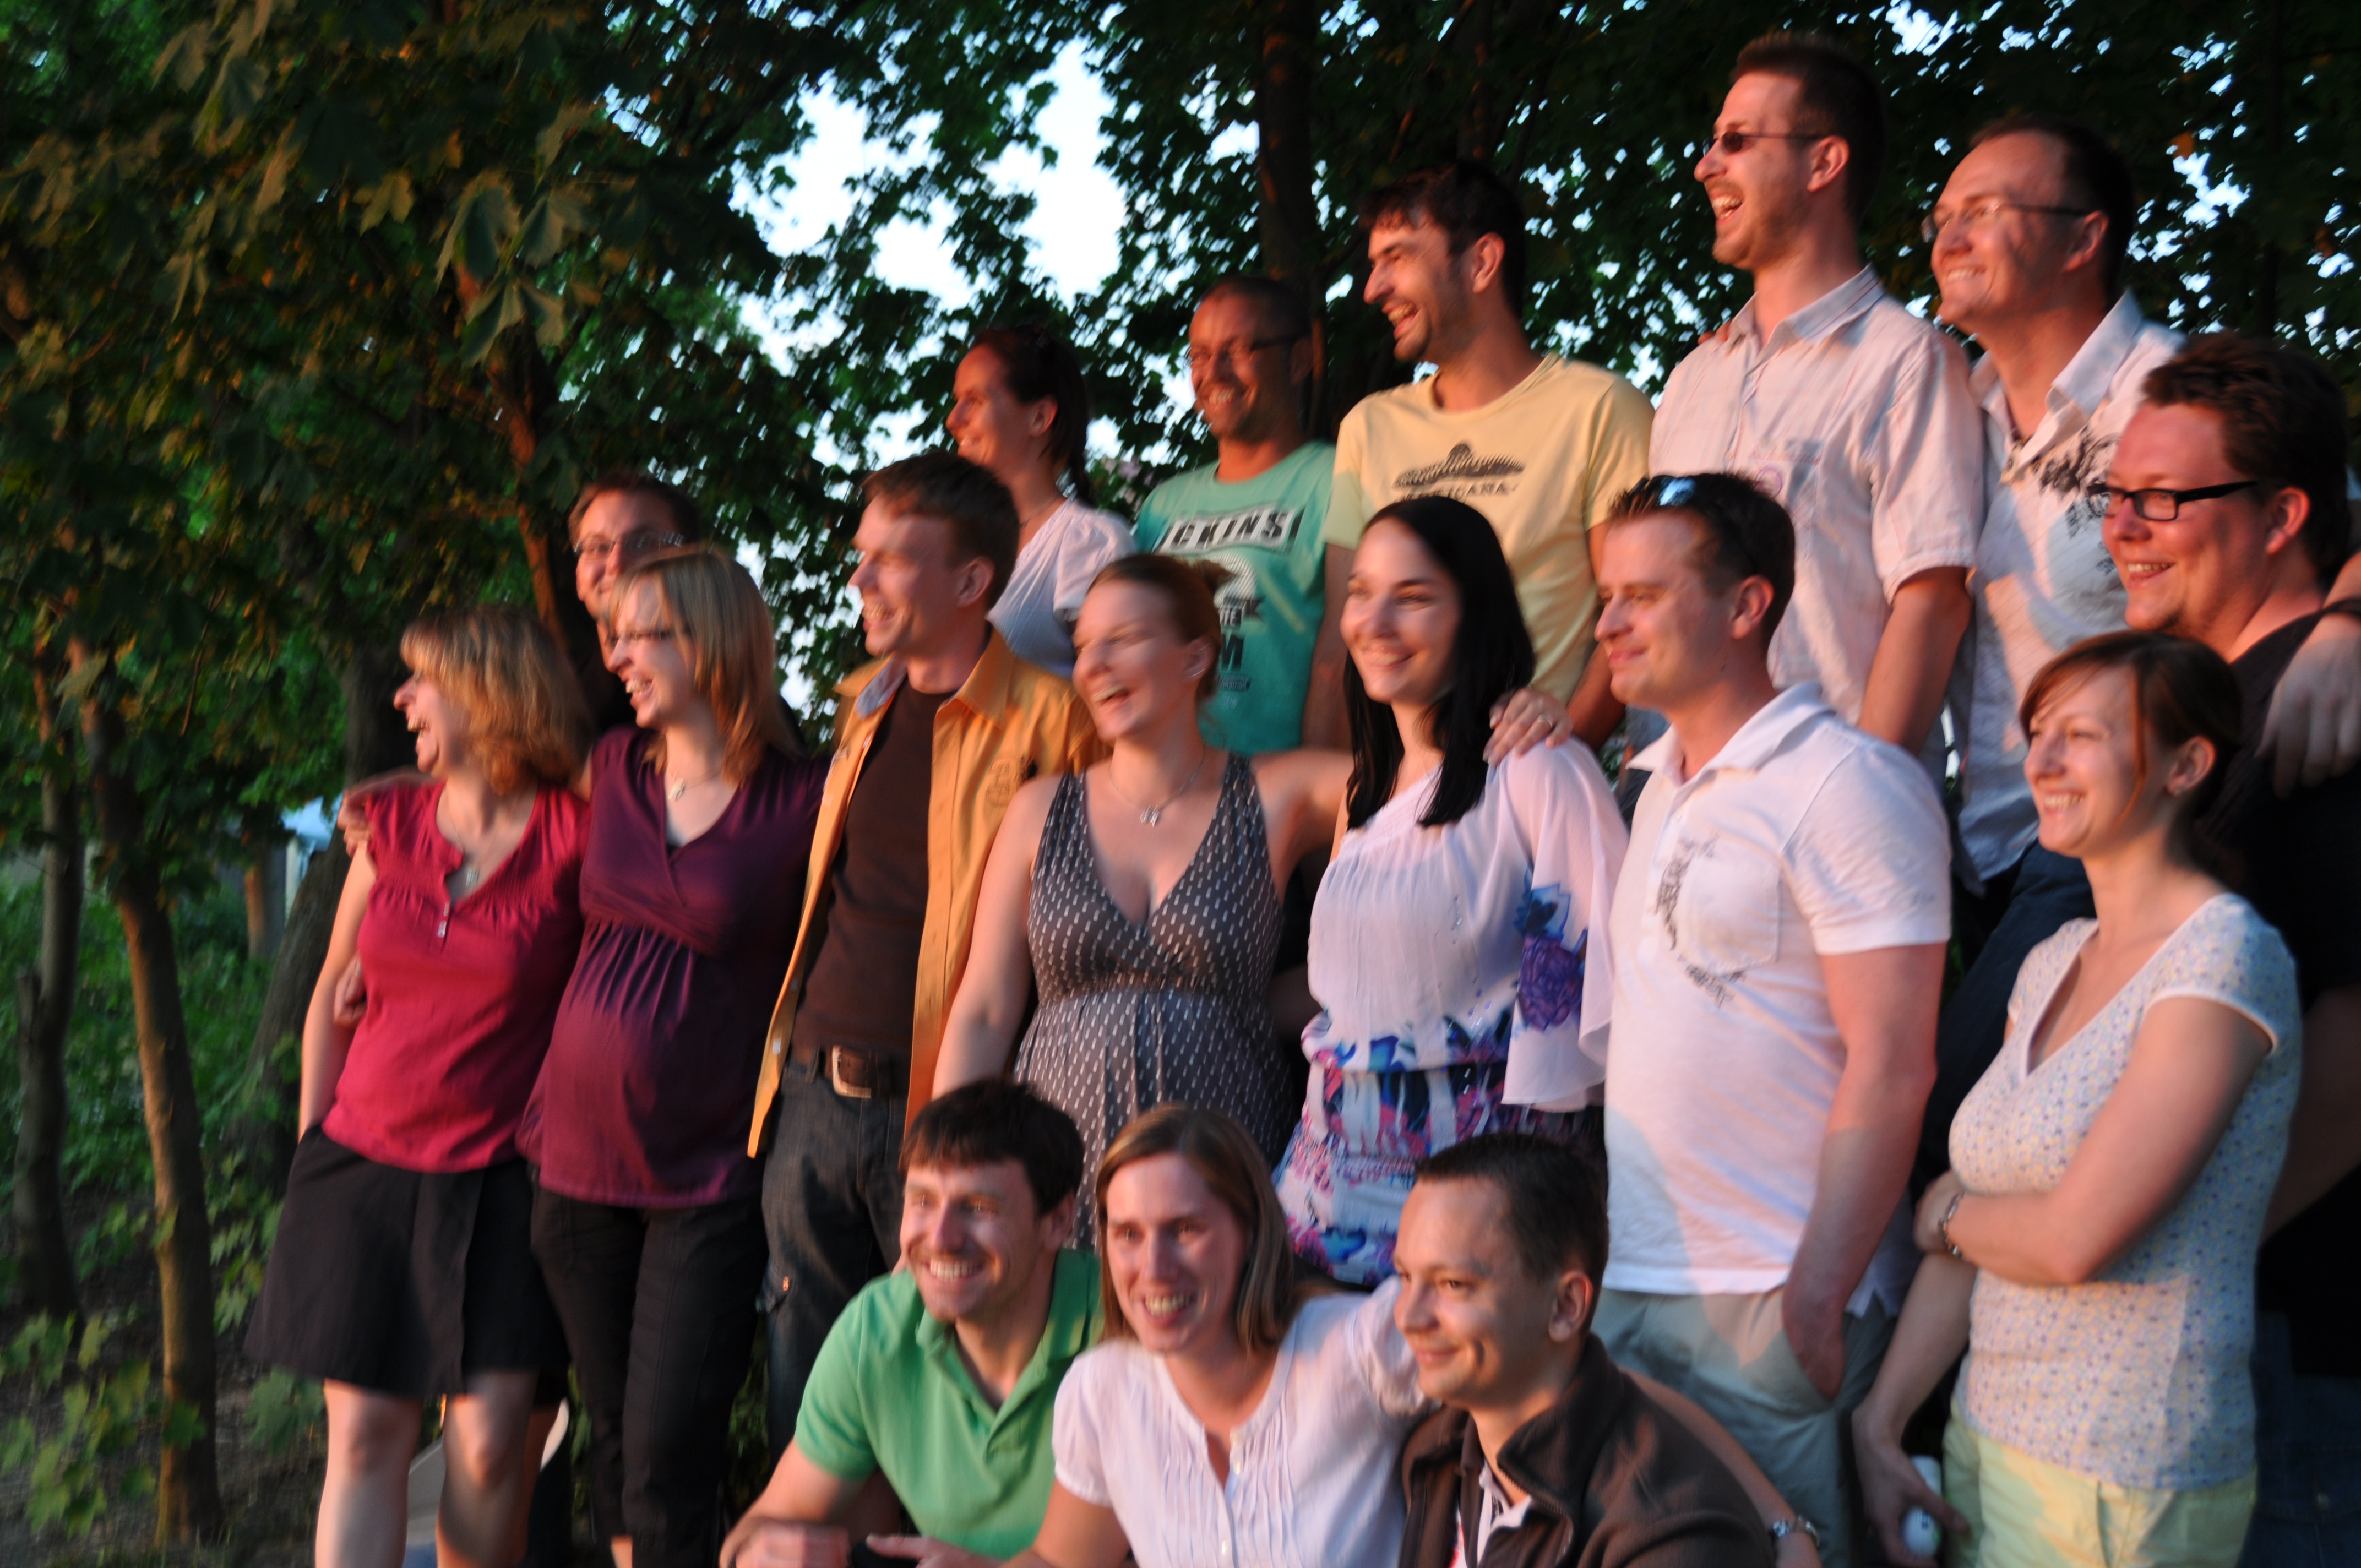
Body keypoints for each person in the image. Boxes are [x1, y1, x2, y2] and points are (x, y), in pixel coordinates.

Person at [1916, 116, 2361, 1194]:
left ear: (2083, 238)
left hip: (2113, 827)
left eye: (1984, 211)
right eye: (1941, 215)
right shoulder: (1948, 404)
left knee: (1947, 1134)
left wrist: (2346, 626)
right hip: (1988, 834)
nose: (1947, 235)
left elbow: (2323, 517)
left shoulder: (2172, 397)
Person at [1853, 633, 2302, 1568]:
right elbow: (1985, 1233)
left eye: (2082, 736)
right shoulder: (2055, 958)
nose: (2042, 762)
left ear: (2186, 764)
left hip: (2118, 1477)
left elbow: (2070, 1238)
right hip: (1986, 1438)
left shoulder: (2221, 956)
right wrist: (1881, 1421)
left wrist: (1946, 1213)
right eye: (2037, 734)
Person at [1593, 474, 1950, 1568]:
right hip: (1635, 1283)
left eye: (1642, 595)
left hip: (1771, 1302)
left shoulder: (1846, 781)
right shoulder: (1651, 787)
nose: (1606, 624)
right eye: (1605, 596)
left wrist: (1815, 1296)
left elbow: (1893, 1062)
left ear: (1746, 605)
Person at [750, 452, 1102, 1451]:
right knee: (810, 1396)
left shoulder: (1056, 721)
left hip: (948, 1104)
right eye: (861, 556)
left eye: (891, 560)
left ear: (971, 580)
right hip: (813, 1091)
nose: (859, 578)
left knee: (949, 1393)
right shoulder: (861, 702)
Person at [2086, 336, 2361, 1565]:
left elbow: (2352, 1046)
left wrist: (2183, 1258)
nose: (2121, 528)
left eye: (2161, 500)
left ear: (2281, 516)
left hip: (2281, 1348)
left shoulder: (2320, 707)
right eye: (2113, 496)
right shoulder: (2225, 702)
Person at [247, 607, 591, 1568]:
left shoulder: (578, 836)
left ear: (490, 695)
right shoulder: (387, 829)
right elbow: (328, 997)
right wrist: (315, 1149)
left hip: (504, 1181)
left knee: (487, 1450)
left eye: (423, 680)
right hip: (362, 1167)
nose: (402, 698)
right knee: (365, 1439)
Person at [519, 551, 825, 1568]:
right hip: (572, 1160)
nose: (619, 657)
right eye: (616, 636)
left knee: (667, 1450)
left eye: (645, 634)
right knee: (613, 1437)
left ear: (712, 641)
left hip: (706, 1172)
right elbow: (488, 777)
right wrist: (386, 805)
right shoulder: (613, 767)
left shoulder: (806, 796)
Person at [934, 554, 1351, 1238]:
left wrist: (1521, 716)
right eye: (1084, 647)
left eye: (1123, 639)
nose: (1093, 666)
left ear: (1195, 658)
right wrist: (942, 1181)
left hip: (1226, 1165)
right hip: (1062, 1169)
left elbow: (1434, 794)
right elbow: (983, 1010)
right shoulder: (1040, 809)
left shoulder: (1277, 792)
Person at [1275, 495, 1628, 1287]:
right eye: (1361, 593)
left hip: (1476, 1219)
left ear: (1476, 614)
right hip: (1323, 1204)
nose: (1375, 621)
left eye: (1414, 597)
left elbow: (1608, 1009)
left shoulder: (1536, 769)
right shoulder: (1367, 794)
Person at [1648, 34, 1978, 777]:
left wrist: (1860, 793)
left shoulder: (1907, 361)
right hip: (1680, 799)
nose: (1706, 166)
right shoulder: (1694, 378)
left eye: (1736, 141)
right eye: (1712, 142)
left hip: (1825, 800)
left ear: (1823, 163)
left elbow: (1933, 601)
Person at [1307, 160, 1653, 750]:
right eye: (1374, 264)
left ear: (1481, 262)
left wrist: (1559, 757)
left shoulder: (1600, 408)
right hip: (1399, 789)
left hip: (1527, 780)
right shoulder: (1369, 425)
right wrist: (1340, 794)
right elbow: (1339, 640)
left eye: (1397, 258)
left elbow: (1631, 611)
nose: (1372, 289)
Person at [1009, 1104, 1432, 1568]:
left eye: (1184, 1230)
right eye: (1129, 1235)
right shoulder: (1102, 1388)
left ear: (1249, 1232)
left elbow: (1490, 1338)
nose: (1154, 1268)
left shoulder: (1360, 1348)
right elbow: (1059, 1562)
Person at [721, 1081, 1097, 1568]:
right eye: (922, 1201)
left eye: (978, 1208)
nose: (940, 1238)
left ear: (1058, 1221)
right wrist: (758, 1554)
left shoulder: (1123, 1332)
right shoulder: (876, 1328)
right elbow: (765, 1523)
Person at [1394, 1134, 1787, 1568]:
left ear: (1566, 1307)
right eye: (1406, 1278)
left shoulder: (1672, 1536)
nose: (1408, 1317)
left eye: (1454, 1284)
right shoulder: (1436, 1455)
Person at [1132, 275, 1334, 756]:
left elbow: (1343, 657)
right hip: (1164, 775)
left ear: (1300, 360)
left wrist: (1317, 784)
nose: (1213, 373)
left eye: (1237, 350)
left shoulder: (1338, 480)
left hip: (1275, 780)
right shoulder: (1163, 505)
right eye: (1199, 356)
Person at [947, 324, 1136, 677]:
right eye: (957, 401)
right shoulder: (951, 540)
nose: (953, 420)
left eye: (975, 400)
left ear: (1039, 417)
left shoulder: (1089, 542)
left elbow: (1117, 688)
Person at [568, 472, 704, 729]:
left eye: (643, 542)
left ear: (692, 562)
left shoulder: (740, 700)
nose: (616, 563)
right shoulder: (552, 695)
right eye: (597, 547)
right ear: (578, 579)